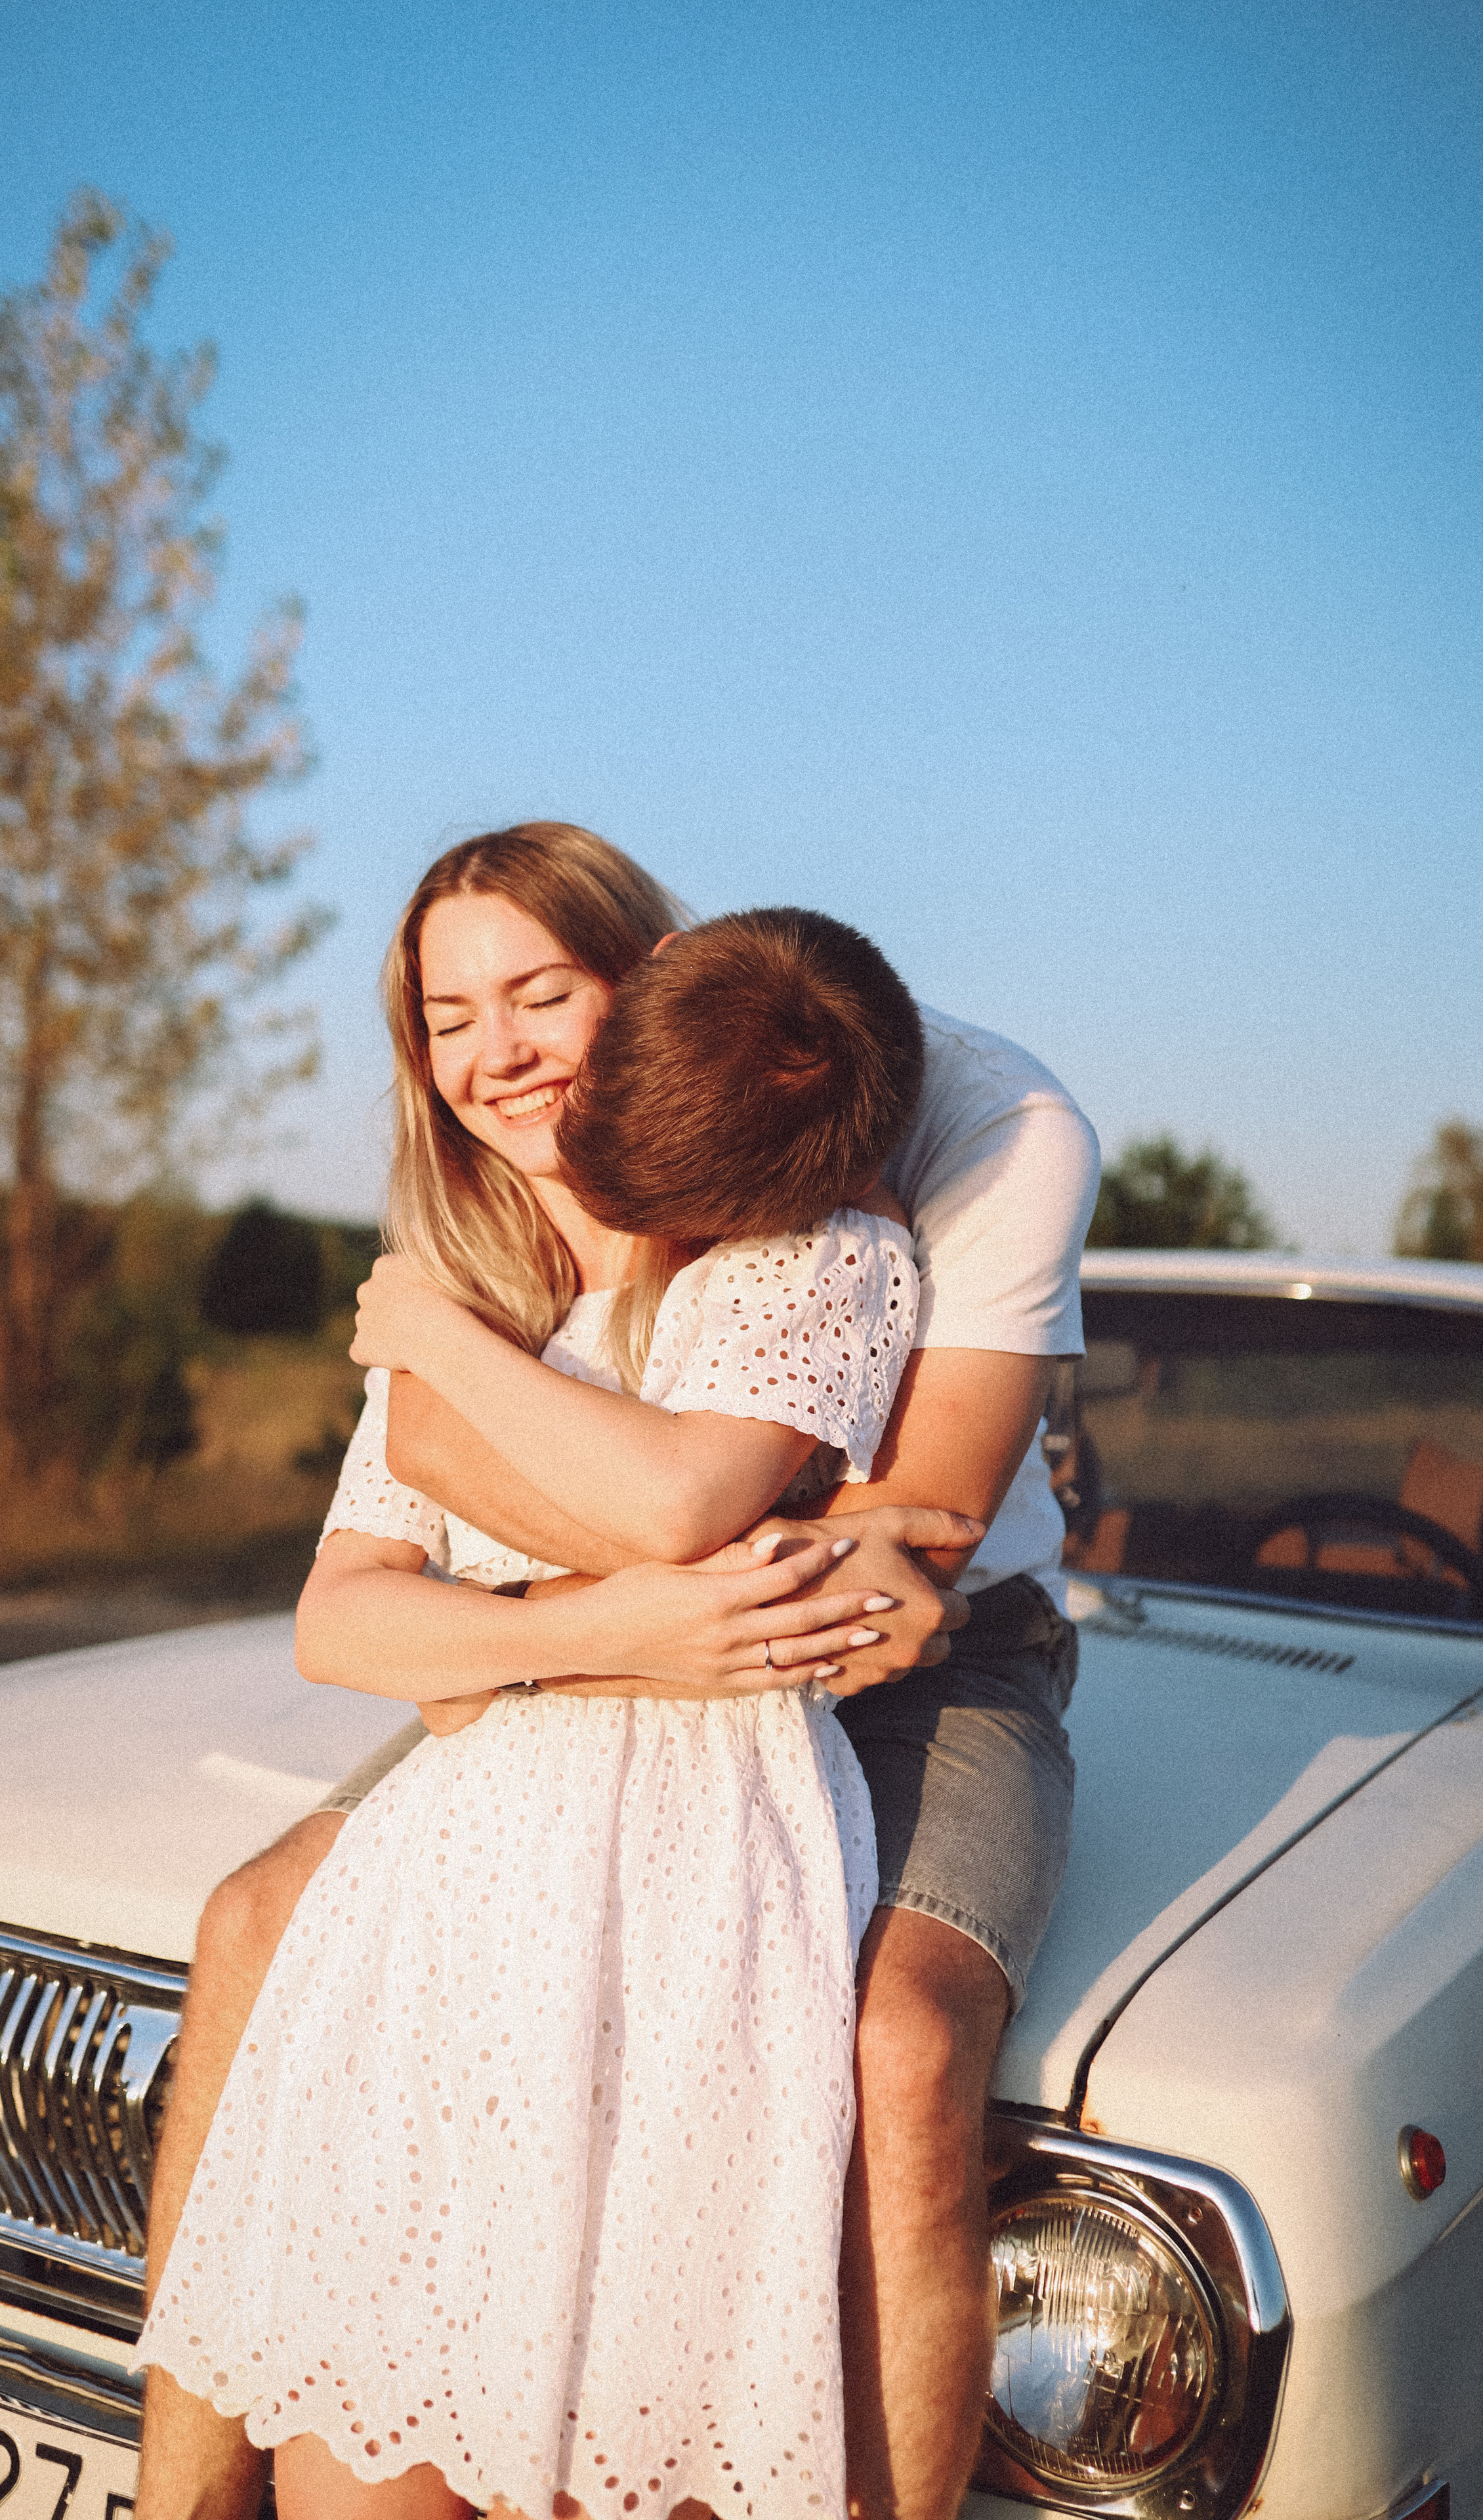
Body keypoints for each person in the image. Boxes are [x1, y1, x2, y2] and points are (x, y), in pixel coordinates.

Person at [135, 822, 1099, 2520]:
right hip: (603, 1674)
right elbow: (357, 1611)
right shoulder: (482, 1264)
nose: (493, 1050)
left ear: (647, 989)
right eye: (449, 1016)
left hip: (920, 1653)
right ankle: (183, 2486)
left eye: (541, 993)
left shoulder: (959, 1144)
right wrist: (585, 1634)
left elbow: (888, 1564)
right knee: (254, 1921)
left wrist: (501, 1613)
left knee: (894, 2037)